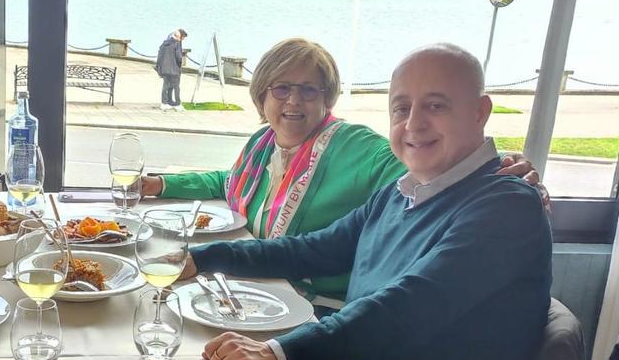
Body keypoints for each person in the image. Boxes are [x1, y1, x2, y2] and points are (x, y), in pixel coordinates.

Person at [184, 43, 552, 360]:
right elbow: (310, 250)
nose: (413, 124)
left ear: (479, 113)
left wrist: (279, 353)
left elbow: (409, 306)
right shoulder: (402, 192)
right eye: (401, 108)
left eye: (436, 106)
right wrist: (199, 258)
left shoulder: (506, 205)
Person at [140, 37, 545, 308]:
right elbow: (226, 183)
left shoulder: (355, 146)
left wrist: (500, 164)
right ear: (262, 95)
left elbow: (429, 169)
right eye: (281, 88)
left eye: (309, 90)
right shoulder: (263, 144)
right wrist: (159, 184)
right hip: (255, 288)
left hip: (317, 308)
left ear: (327, 98)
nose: (294, 100)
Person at [155, 28, 187, 111]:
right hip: (174, 69)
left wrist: (159, 67)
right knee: (176, 86)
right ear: (178, 37)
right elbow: (179, 57)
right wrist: (179, 66)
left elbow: (160, 56)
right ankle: (177, 103)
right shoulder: (176, 44)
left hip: (165, 69)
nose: (182, 39)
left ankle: (164, 103)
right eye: (182, 38)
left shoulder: (164, 44)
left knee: (165, 86)